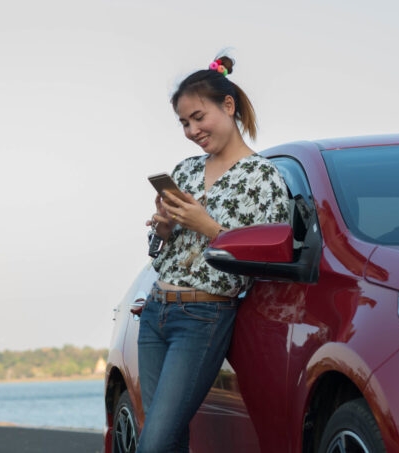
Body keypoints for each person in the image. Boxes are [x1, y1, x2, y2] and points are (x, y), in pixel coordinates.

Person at [137, 51, 290, 452]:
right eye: (184, 123)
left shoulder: (264, 177)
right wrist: (166, 228)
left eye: (198, 118)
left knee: (153, 443)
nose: (191, 130)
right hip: (156, 311)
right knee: (164, 440)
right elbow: (162, 253)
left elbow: (267, 259)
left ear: (228, 105)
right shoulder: (186, 169)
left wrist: (209, 227)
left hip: (203, 316)